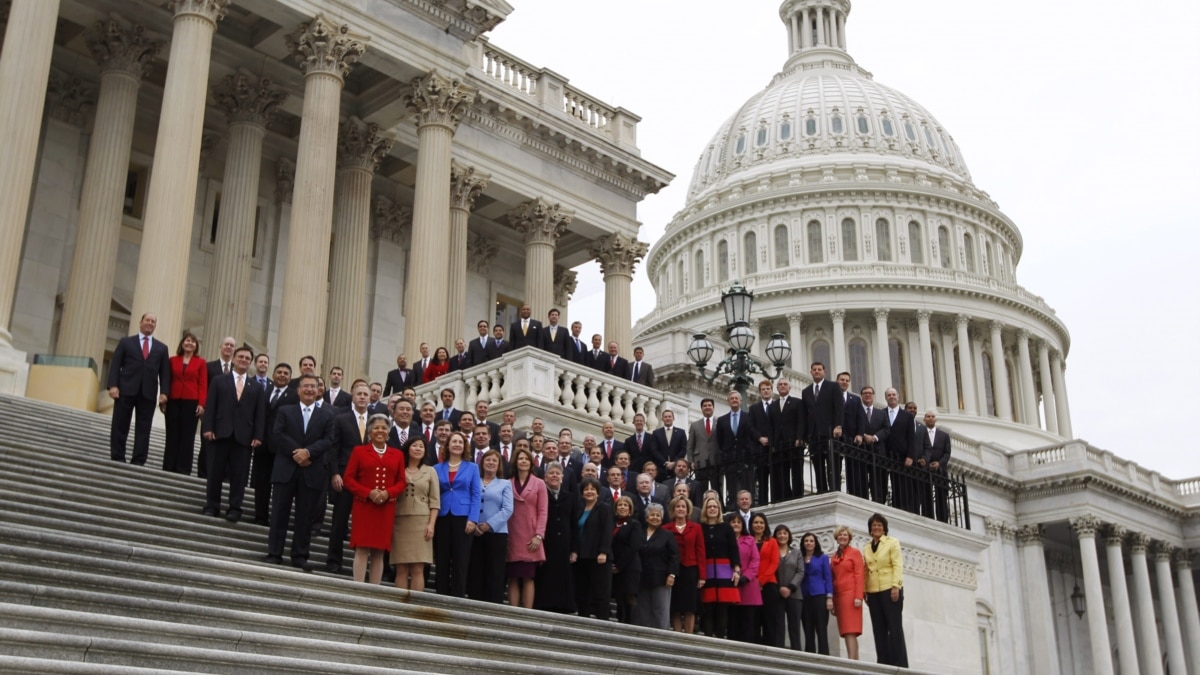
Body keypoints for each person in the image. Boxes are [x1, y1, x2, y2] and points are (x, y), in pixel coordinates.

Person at [266, 374, 335, 569]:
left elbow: (328, 440)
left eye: (313, 386)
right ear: (298, 390)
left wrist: (308, 453)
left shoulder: (327, 415)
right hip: (286, 468)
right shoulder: (285, 411)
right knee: (279, 512)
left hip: (311, 471)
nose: (310, 390)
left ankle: (300, 555)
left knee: (305, 516)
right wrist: (297, 452)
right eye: (306, 386)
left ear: (318, 390)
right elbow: (278, 434)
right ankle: (274, 552)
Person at [201, 345, 266, 523]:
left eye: (247, 358)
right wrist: (208, 427)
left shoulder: (256, 386)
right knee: (214, 472)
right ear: (234, 359)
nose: (244, 360)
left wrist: (258, 435)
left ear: (250, 362)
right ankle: (212, 505)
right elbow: (211, 406)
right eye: (241, 357)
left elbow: (260, 413)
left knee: (240, 475)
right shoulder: (219, 381)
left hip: (243, 438)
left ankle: (235, 508)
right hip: (220, 433)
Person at [341, 415, 405, 584]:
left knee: (379, 551)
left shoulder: (397, 454)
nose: (380, 431)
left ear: (388, 432)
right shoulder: (359, 451)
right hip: (364, 507)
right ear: (369, 432)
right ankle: (358, 586)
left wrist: (388, 493)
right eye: (376, 428)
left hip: (385, 508)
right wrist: (367, 492)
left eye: (383, 428)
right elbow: (348, 479)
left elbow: (401, 482)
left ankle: (374, 588)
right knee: (362, 547)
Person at [107, 312, 171, 465]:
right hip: (125, 389)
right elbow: (116, 364)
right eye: (147, 320)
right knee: (120, 424)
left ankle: (139, 459)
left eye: (153, 321)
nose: (150, 323)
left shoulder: (162, 348)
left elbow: (165, 373)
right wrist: (113, 385)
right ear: (140, 322)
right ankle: (118, 456)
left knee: (144, 428)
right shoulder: (126, 342)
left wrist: (164, 392)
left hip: (148, 392)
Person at [326, 382, 374, 574]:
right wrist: (335, 473)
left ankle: (360, 565)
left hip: (368, 480)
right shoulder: (341, 419)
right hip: (345, 478)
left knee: (364, 523)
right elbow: (334, 448)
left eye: (365, 394)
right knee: (339, 520)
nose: (362, 397)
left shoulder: (376, 421)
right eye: (359, 394)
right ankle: (333, 560)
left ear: (370, 398)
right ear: (352, 397)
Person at [433, 431, 481, 598]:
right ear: (448, 445)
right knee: (442, 555)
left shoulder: (472, 467)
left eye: (460, 442)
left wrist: (473, 519)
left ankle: (458, 594)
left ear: (464, 446)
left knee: (461, 557)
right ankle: (441, 592)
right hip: (443, 515)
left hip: (463, 516)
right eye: (453, 441)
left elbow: (476, 495)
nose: (457, 445)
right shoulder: (437, 468)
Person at [392, 436, 439, 591]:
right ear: (408, 448)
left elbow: (435, 501)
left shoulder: (430, 471)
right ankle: (400, 606)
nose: (418, 449)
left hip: (422, 522)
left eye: (421, 446)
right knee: (401, 568)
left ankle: (415, 608)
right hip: (400, 521)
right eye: (415, 445)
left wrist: (431, 525)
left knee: (418, 568)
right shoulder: (398, 468)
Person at [467, 449, 511, 603]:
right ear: (482, 462)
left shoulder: (505, 484)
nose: (491, 463)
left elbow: (507, 509)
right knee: (476, 568)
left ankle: (493, 604)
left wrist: (488, 525)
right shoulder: (475, 480)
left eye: (494, 460)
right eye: (488, 460)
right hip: (474, 531)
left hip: (496, 533)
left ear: (499, 465)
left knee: (495, 571)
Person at [534, 462, 580, 614]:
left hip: (564, 544)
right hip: (545, 542)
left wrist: (574, 549)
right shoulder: (540, 494)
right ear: (545, 477)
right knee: (545, 575)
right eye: (551, 473)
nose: (554, 476)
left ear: (562, 478)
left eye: (557, 473)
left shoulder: (571, 497)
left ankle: (562, 605)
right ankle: (544, 603)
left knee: (563, 576)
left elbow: (574, 524)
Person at [863, 512, 907, 667]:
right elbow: (866, 570)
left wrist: (896, 586)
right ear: (870, 528)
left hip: (890, 588)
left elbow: (897, 565)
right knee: (878, 628)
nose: (876, 528)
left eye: (879, 525)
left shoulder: (892, 542)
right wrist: (864, 590)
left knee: (894, 626)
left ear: (884, 528)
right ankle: (882, 661)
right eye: (874, 525)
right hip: (873, 592)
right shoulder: (867, 547)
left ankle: (900, 662)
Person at [507, 446, 548, 609]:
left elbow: (543, 511)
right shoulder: (508, 483)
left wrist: (539, 535)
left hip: (531, 535)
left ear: (531, 463)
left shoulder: (539, 483)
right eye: (520, 459)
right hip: (512, 533)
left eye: (526, 459)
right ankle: (513, 611)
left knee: (528, 576)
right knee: (513, 576)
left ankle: (527, 613)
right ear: (515, 462)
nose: (523, 461)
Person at [162, 331, 206, 475]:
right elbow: (167, 380)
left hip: (191, 402)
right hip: (174, 400)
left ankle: (183, 468)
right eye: (187, 341)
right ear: (182, 343)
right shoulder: (172, 360)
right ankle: (169, 466)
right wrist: (164, 398)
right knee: (172, 434)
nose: (189, 343)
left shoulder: (201, 362)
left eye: (193, 342)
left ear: (196, 346)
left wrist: (201, 403)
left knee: (187, 436)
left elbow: (203, 385)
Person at [698, 496, 740, 639]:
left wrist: (736, 569)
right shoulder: (700, 528)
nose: (712, 509)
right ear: (705, 509)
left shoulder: (726, 528)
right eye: (709, 506)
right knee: (708, 606)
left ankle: (721, 636)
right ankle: (709, 638)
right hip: (707, 569)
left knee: (723, 607)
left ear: (719, 510)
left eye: (715, 507)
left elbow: (733, 549)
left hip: (723, 569)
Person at [573, 477, 614, 620]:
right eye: (586, 489)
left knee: (601, 592)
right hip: (582, 556)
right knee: (582, 591)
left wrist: (603, 551)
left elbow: (607, 530)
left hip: (599, 557)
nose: (589, 492)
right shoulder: (579, 509)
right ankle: (583, 619)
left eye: (592, 489)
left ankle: (602, 622)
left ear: (598, 492)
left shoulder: (604, 508)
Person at [634, 502, 678, 630]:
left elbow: (674, 556)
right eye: (652, 515)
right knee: (643, 611)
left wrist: (672, 574)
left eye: (658, 515)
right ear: (647, 518)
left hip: (661, 578)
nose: (655, 517)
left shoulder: (667, 535)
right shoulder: (639, 533)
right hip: (641, 577)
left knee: (660, 611)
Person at [802, 362, 844, 493]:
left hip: (830, 431)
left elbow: (839, 407)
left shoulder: (833, 387)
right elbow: (805, 414)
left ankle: (835, 489)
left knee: (833, 463)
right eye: (814, 370)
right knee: (817, 463)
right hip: (814, 434)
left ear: (824, 372)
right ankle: (822, 489)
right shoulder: (806, 391)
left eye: (819, 369)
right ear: (811, 372)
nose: (817, 371)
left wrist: (838, 425)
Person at [666, 496, 705, 633]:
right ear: (673, 509)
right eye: (678, 506)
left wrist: (702, 576)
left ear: (688, 510)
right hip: (673, 571)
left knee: (690, 606)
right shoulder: (666, 528)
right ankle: (677, 635)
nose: (680, 509)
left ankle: (689, 636)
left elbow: (700, 551)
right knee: (675, 606)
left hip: (690, 571)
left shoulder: (696, 528)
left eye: (683, 506)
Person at [716, 391, 760, 510]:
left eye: (737, 398)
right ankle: (733, 507)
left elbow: (752, 434)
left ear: (740, 401)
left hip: (746, 457)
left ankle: (750, 505)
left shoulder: (748, 417)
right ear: (728, 401)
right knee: (732, 486)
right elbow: (720, 440)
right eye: (732, 398)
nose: (734, 400)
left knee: (747, 484)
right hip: (730, 458)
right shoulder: (722, 420)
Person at [830, 524, 865, 660]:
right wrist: (832, 600)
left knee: (851, 630)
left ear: (849, 537)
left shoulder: (855, 553)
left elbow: (859, 575)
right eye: (840, 535)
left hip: (851, 596)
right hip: (839, 597)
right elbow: (833, 578)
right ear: (836, 537)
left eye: (845, 535)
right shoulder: (834, 556)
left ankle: (852, 660)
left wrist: (858, 596)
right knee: (845, 630)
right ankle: (854, 659)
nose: (842, 537)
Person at [610, 495, 643, 624]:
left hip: (629, 567)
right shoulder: (612, 523)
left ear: (630, 509)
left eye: (625, 505)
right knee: (619, 599)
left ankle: (630, 625)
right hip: (614, 566)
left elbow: (634, 546)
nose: (622, 507)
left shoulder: (634, 524)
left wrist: (619, 566)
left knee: (629, 597)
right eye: (620, 505)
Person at [799, 531, 833, 655]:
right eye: (806, 541)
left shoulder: (822, 557)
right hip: (804, 596)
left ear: (815, 543)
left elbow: (828, 577)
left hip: (819, 595)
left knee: (821, 627)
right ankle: (810, 656)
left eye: (811, 541)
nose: (809, 543)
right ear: (803, 543)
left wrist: (829, 597)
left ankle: (824, 655)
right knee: (808, 628)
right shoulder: (800, 557)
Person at [730, 512, 761, 643]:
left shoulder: (749, 540)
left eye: (738, 522)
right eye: (733, 522)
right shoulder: (726, 539)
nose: (736, 524)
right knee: (733, 623)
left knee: (748, 622)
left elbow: (755, 560)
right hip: (731, 584)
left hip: (748, 585)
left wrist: (745, 577)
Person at [772, 379, 806, 501]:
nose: (782, 386)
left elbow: (801, 421)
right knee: (782, 471)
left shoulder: (797, 402)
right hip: (779, 443)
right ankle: (785, 495)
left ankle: (798, 494)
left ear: (789, 388)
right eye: (780, 385)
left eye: (785, 384)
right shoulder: (773, 405)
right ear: (777, 388)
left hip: (794, 442)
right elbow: (771, 426)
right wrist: (772, 443)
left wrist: (800, 437)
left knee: (797, 471)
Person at [752, 513, 782, 646]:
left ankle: (770, 647)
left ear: (765, 525)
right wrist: (754, 581)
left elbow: (774, 563)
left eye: (761, 523)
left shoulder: (772, 541)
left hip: (769, 584)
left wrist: (761, 581)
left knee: (769, 618)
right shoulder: (747, 540)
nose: (758, 525)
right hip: (751, 584)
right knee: (754, 617)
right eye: (756, 522)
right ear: (751, 525)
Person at [774, 525, 805, 651]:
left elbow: (800, 571)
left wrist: (790, 587)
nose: (782, 536)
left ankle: (797, 653)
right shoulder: (773, 551)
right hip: (777, 594)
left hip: (794, 594)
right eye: (779, 533)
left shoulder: (797, 552)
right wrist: (779, 588)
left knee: (794, 627)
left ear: (789, 536)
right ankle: (779, 653)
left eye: (785, 533)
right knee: (779, 626)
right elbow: (769, 569)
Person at [920, 410, 952, 522]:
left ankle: (942, 519)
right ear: (924, 419)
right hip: (925, 468)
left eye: (932, 416)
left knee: (941, 495)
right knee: (925, 493)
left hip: (940, 469)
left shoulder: (944, 436)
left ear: (935, 419)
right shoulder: (920, 433)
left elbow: (947, 453)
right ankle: (927, 516)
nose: (930, 418)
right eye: (927, 416)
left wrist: (939, 463)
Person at [687, 398, 719, 497]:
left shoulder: (720, 422)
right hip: (700, 462)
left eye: (709, 405)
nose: (707, 407)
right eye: (705, 406)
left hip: (716, 460)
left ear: (713, 407)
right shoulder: (695, 425)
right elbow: (690, 445)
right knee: (701, 488)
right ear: (701, 408)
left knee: (717, 487)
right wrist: (691, 461)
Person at [651, 409, 687, 478]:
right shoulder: (656, 433)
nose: (668, 418)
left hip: (676, 469)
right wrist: (665, 463)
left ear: (673, 418)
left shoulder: (681, 432)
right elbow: (654, 450)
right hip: (661, 469)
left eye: (669, 416)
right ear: (662, 419)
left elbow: (683, 449)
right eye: (665, 417)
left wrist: (674, 462)